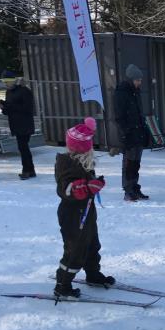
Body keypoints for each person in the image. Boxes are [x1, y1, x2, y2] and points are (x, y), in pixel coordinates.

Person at [53, 117, 114, 298]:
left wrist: (93, 185)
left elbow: (87, 188)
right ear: (82, 148)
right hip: (72, 215)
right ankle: (62, 284)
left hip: (86, 212)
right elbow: (66, 189)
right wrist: (88, 188)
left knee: (92, 244)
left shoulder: (83, 163)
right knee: (75, 249)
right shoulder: (67, 164)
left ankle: (93, 274)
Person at [114, 64, 148, 201]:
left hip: (138, 132)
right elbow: (119, 116)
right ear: (130, 79)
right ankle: (128, 190)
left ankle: (134, 187)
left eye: (140, 80)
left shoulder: (136, 92)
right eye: (137, 80)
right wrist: (125, 132)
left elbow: (139, 114)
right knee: (129, 162)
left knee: (136, 163)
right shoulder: (121, 93)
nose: (140, 82)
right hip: (128, 134)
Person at [0, 70, 36, 180]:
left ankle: (27, 170)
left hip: (25, 124)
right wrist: (3, 106)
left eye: (7, 82)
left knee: (23, 147)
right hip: (15, 124)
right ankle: (30, 170)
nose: (6, 84)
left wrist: (10, 107)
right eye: (4, 82)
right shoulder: (8, 92)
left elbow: (28, 109)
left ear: (13, 81)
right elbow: (9, 110)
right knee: (23, 148)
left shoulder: (24, 91)